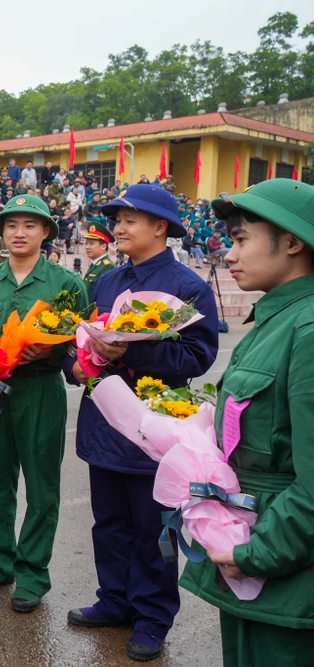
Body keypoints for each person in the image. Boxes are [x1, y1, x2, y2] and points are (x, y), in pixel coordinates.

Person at [65, 184, 219, 662]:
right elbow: (84, 339)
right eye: (118, 219)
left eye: (131, 219)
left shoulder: (187, 286)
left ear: (161, 228)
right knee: (108, 522)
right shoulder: (108, 280)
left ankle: (152, 616)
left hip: (156, 430)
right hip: (104, 423)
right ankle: (114, 600)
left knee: (152, 528)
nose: (119, 227)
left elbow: (198, 355)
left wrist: (137, 348)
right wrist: (79, 362)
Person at [179, 179, 314, 666]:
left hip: (285, 569)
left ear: (293, 242)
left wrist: (256, 553)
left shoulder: (308, 327)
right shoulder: (278, 319)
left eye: (240, 240)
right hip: (255, 551)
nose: (228, 254)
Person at [0, 195, 88, 613]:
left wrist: (51, 354)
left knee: (41, 486)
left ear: (46, 232)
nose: (19, 233)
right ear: (0, 232)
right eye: (11, 225)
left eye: (30, 225)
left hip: (40, 393)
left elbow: (82, 348)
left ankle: (32, 574)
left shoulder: (66, 284)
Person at [83, 221, 115, 290]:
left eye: (91, 243)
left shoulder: (108, 267)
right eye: (86, 244)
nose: (87, 247)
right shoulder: (95, 264)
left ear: (103, 246)